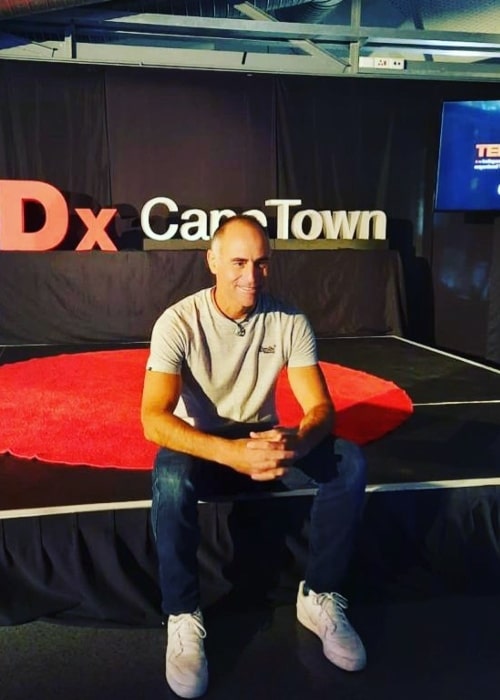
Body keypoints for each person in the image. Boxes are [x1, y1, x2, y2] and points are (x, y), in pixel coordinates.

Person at [141, 214, 367, 698]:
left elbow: (320, 408)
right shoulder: (177, 322)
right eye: (239, 262)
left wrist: (295, 443)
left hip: (262, 442)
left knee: (348, 463)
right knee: (170, 476)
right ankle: (182, 614)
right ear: (213, 261)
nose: (252, 275)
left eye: (261, 263)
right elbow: (153, 419)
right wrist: (230, 453)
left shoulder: (289, 320)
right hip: (206, 445)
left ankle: (319, 595)